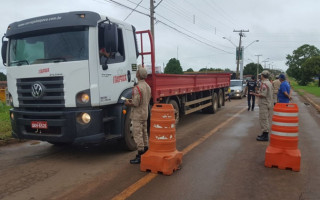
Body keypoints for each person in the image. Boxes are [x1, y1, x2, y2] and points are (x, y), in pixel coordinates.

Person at [125, 66, 151, 164]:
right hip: (145, 113)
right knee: (144, 132)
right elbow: (145, 100)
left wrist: (128, 103)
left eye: (137, 72)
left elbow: (135, 103)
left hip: (137, 114)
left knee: (137, 134)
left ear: (138, 75)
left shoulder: (137, 87)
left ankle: (140, 154)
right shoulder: (147, 86)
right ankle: (146, 150)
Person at [251, 70, 273, 141]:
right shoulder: (268, 83)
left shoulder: (265, 84)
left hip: (264, 103)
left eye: (261, 75)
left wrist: (254, 94)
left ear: (262, 76)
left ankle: (265, 135)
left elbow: (263, 95)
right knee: (265, 118)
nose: (260, 76)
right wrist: (258, 92)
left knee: (263, 119)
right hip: (267, 103)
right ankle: (264, 134)